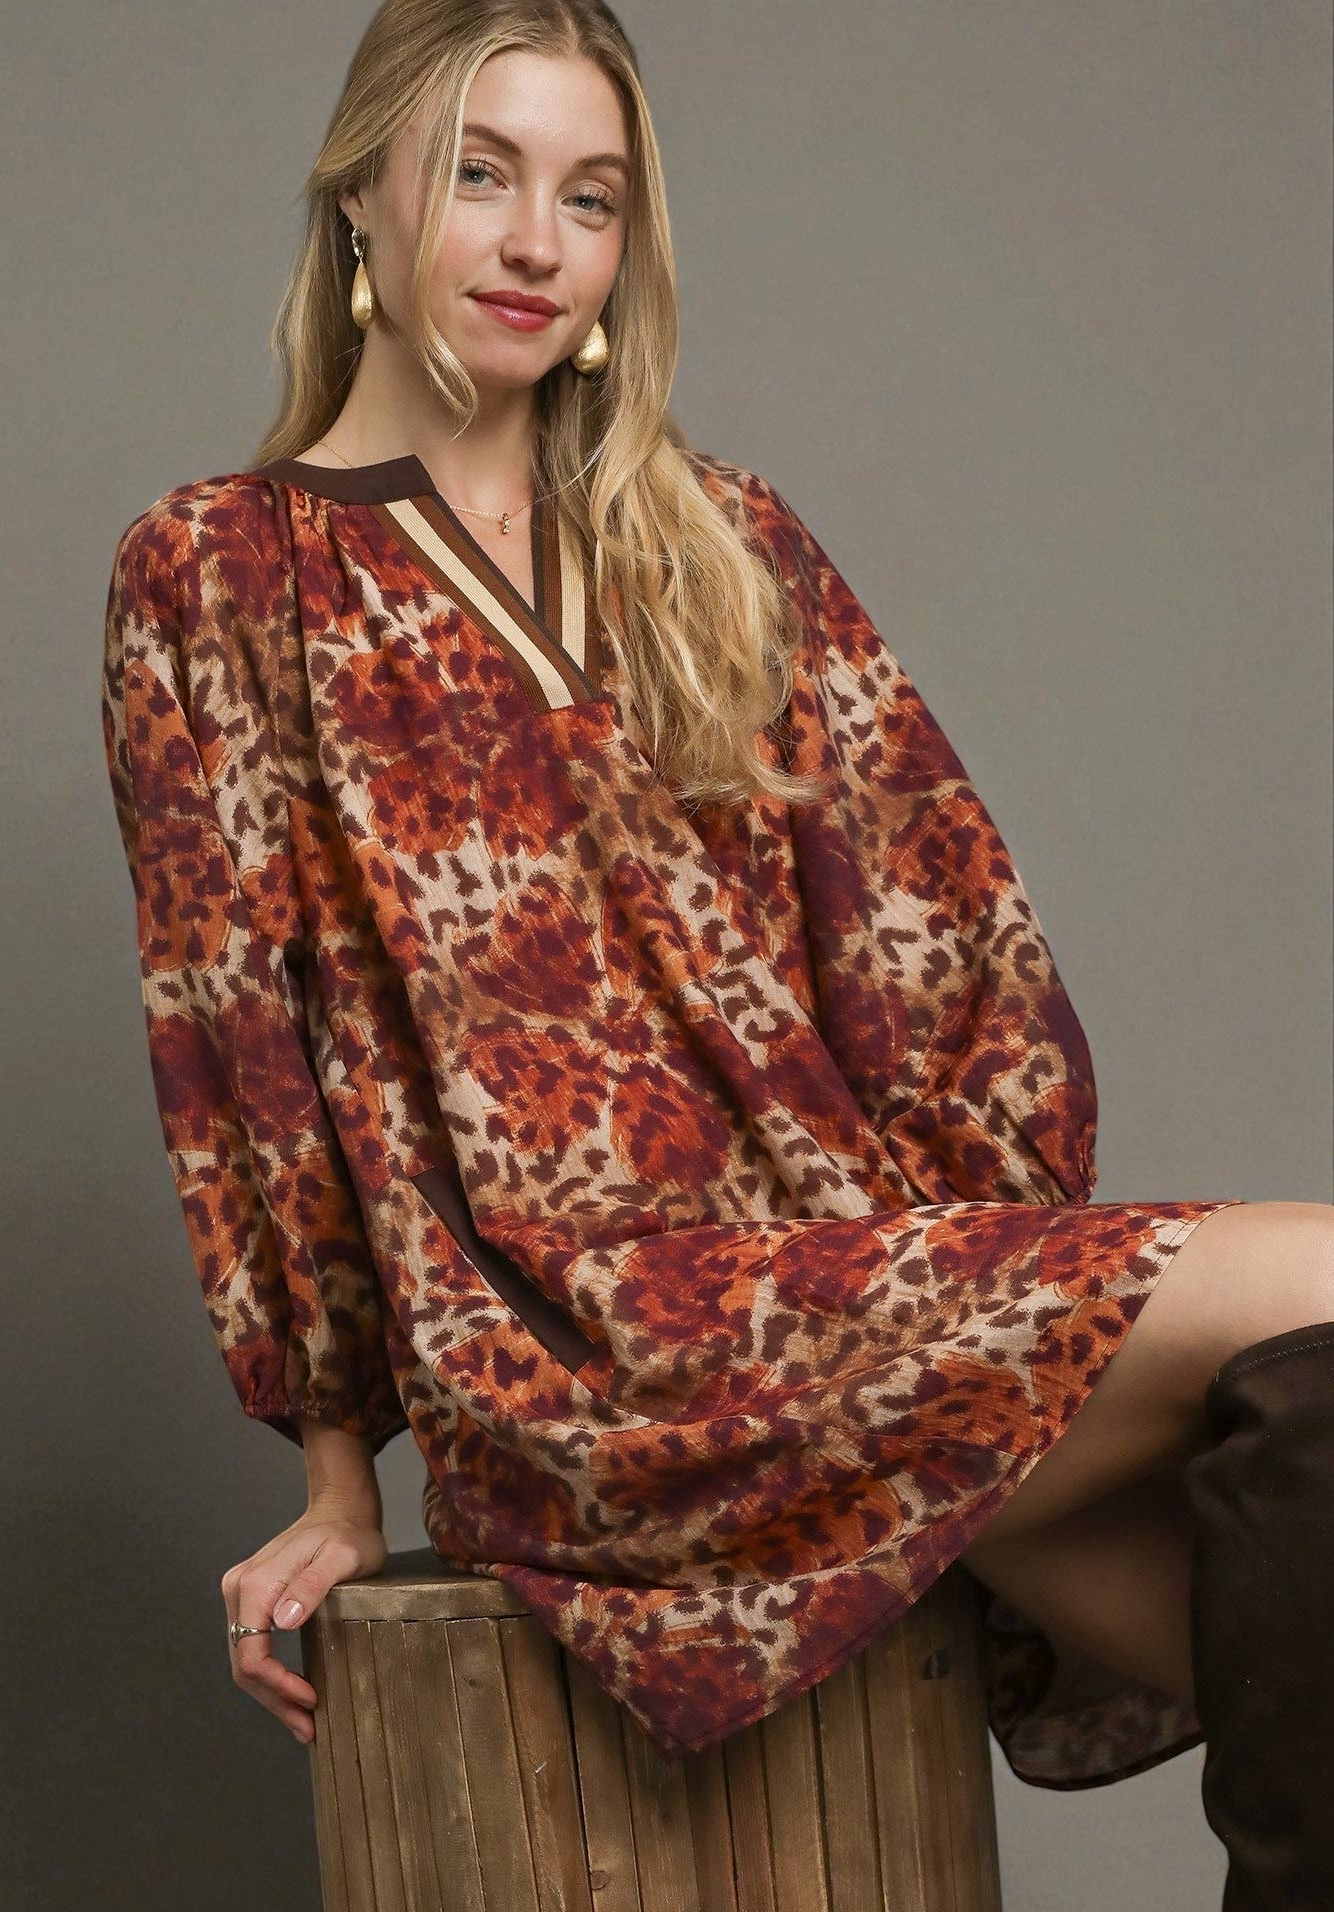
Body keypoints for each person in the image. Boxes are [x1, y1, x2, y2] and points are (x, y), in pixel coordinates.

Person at [99, 1, 1334, 1897]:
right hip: (584, 1364)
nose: (536, 243)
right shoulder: (220, 570)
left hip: (853, 1301)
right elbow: (244, 1061)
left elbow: (943, 936)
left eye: (590, 198)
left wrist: (989, 1278)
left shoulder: (723, 538)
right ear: (361, 196)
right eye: (484, 175)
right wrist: (337, 1476)